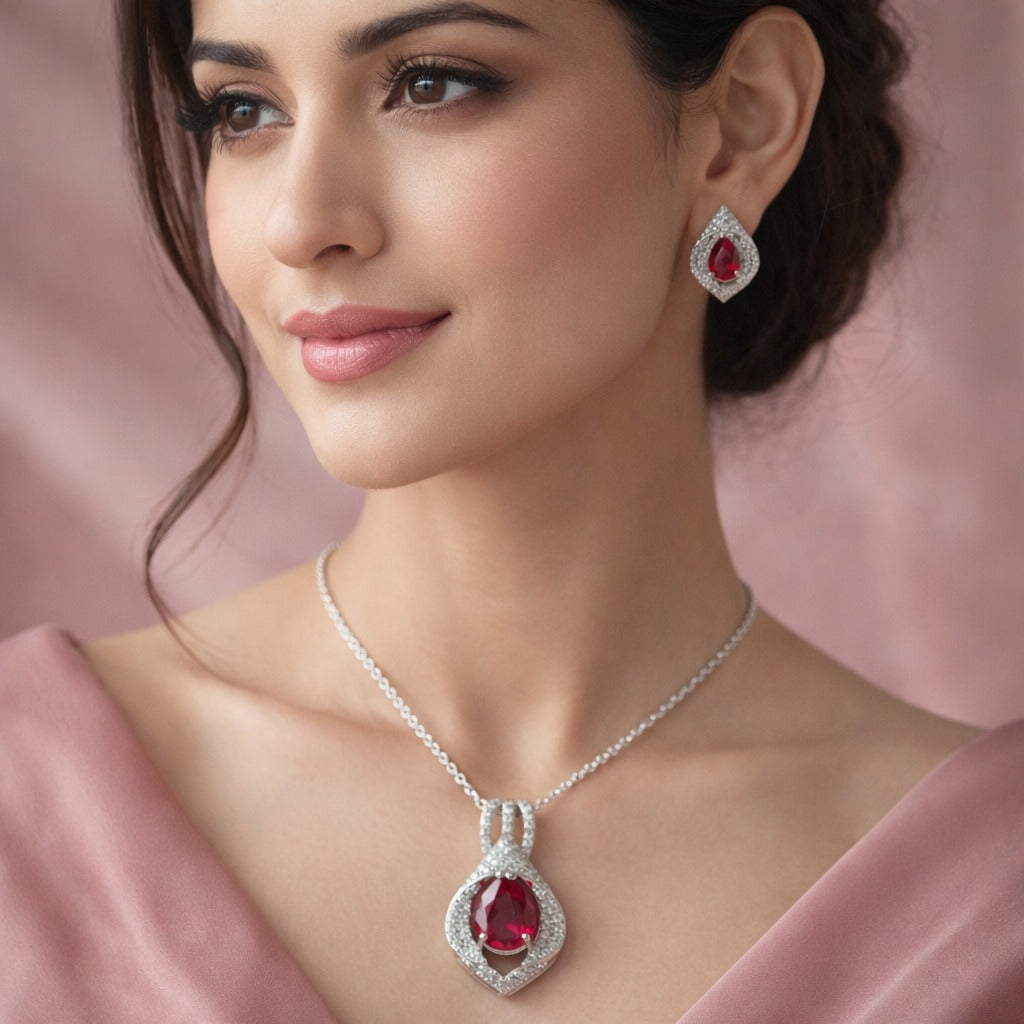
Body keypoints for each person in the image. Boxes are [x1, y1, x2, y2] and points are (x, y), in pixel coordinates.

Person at [2, 0, 1021, 1021]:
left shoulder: (987, 905)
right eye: (242, 111)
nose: (301, 223)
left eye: (431, 83)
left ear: (743, 122)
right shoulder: (26, 802)